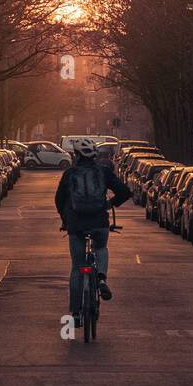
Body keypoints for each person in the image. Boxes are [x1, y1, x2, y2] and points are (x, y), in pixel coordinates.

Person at [55, 140, 130, 328]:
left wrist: (65, 219)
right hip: (99, 222)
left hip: (76, 225)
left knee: (77, 267)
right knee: (101, 247)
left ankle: (76, 314)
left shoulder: (70, 173)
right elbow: (124, 191)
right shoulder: (103, 172)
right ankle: (102, 278)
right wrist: (109, 204)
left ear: (77, 155)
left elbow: (59, 199)